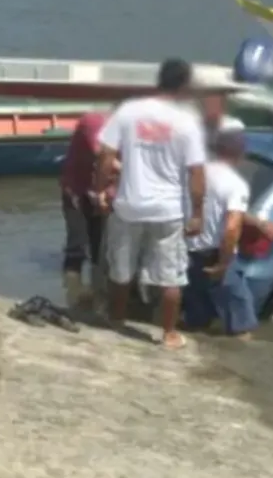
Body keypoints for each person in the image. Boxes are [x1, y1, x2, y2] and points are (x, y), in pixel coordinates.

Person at [93, 57, 207, 350]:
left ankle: (117, 319)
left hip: (129, 204)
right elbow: (197, 171)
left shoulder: (130, 111)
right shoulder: (187, 121)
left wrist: (101, 191)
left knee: (121, 268)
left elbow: (106, 156)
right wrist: (197, 214)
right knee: (171, 276)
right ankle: (168, 333)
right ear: (184, 85)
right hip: (168, 209)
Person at [182, 131, 273, 339]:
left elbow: (216, 208)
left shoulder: (195, 174)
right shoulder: (235, 184)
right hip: (214, 255)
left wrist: (258, 223)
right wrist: (224, 264)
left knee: (196, 323)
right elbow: (232, 227)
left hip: (185, 252)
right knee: (242, 327)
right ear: (240, 154)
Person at [59, 112, 109, 310]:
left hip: (101, 191)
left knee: (100, 245)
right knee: (77, 243)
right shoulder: (94, 121)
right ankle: (73, 294)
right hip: (76, 191)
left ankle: (98, 294)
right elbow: (99, 152)